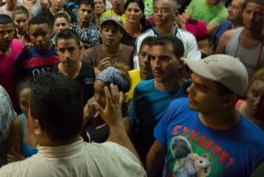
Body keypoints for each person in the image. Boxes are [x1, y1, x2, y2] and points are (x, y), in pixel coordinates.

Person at [0, 72, 145, 177]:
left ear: (36, 124)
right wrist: (117, 126)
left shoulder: (12, 173)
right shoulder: (118, 156)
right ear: (81, 116)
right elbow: (138, 169)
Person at [146, 54, 264, 177]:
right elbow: (156, 154)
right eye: (192, 82)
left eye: (201, 88)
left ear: (228, 101)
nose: (189, 90)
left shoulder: (257, 148)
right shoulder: (178, 108)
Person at [128, 35, 190, 163]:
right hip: (142, 157)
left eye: (164, 58)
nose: (156, 65)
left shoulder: (191, 90)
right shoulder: (142, 89)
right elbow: (132, 122)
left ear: (180, 62)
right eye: (152, 58)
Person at [134, 0, 201, 67]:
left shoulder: (188, 38)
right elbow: (139, 69)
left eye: (164, 10)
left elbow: (195, 67)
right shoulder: (143, 39)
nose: (159, 14)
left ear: (175, 15)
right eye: (156, 10)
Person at [216, 0, 264, 78]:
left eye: (258, 14)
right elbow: (215, 65)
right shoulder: (228, 36)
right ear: (243, 13)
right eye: (248, 12)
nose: (251, 17)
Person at [83, 65, 130, 143]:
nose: (97, 98)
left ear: (117, 95)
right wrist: (85, 116)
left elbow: (105, 154)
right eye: (95, 92)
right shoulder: (93, 110)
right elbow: (72, 140)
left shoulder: (124, 124)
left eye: (102, 94)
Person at [52, 29, 98, 103]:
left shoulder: (94, 73)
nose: (67, 55)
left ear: (80, 48)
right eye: (62, 50)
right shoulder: (51, 77)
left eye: (71, 49)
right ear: (56, 50)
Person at [14, 15, 59, 82]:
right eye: (35, 35)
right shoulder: (24, 57)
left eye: (43, 34)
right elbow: (21, 85)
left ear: (51, 33)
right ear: (29, 34)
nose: (39, 39)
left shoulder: (60, 52)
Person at [7, 80, 38, 162]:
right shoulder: (18, 123)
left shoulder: (52, 120)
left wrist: (25, 162)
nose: (29, 108)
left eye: (33, 101)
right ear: (19, 104)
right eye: (24, 104)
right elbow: (13, 159)